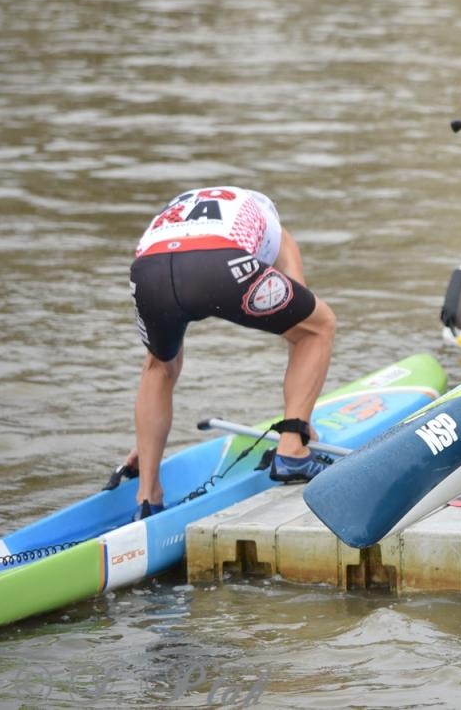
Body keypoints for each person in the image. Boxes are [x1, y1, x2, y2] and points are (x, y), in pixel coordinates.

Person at [124, 187, 337, 519]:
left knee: (159, 366)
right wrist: (302, 416)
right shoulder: (274, 227)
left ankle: (147, 493)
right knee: (317, 328)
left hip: (148, 270)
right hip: (216, 264)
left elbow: (176, 263)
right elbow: (300, 300)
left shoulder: (183, 207)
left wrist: (147, 440)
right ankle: (292, 447)